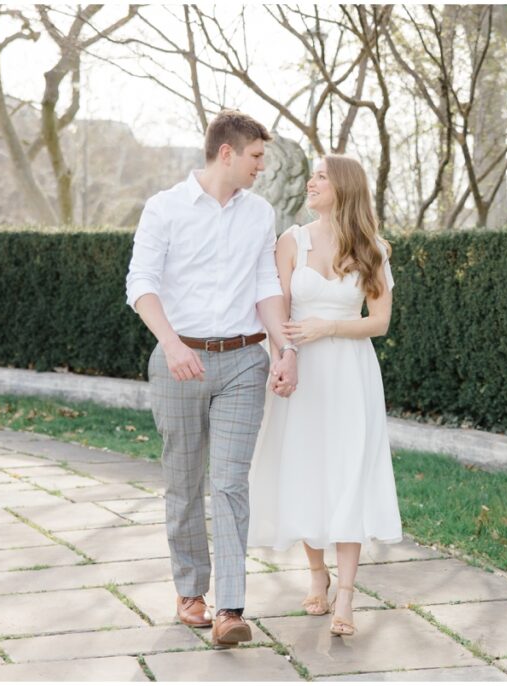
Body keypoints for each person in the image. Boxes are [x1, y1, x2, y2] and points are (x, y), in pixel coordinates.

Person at [125, 110, 299, 648]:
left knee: (228, 484)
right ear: (227, 152)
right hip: (180, 361)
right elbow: (141, 283)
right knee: (183, 482)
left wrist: (283, 347)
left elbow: (266, 284)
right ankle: (190, 592)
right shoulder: (165, 207)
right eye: (255, 157)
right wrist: (172, 344)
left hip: (245, 362)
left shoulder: (259, 213)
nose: (261, 167)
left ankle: (230, 608)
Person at [249, 154, 403, 637]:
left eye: (321, 176)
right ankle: (317, 574)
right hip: (301, 371)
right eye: (312, 175)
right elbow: (275, 308)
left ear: (344, 186)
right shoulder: (290, 241)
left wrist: (330, 327)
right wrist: (283, 355)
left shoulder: (373, 249)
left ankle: (349, 596)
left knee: (349, 472)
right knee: (304, 467)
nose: (312, 182)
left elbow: (379, 322)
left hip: (350, 373)